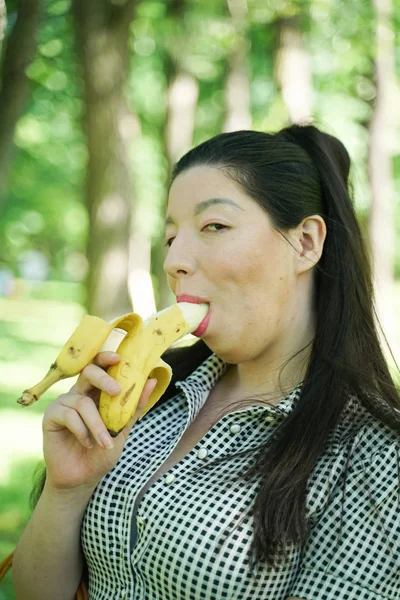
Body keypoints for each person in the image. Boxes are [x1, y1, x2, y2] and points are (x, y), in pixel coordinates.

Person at [12, 123, 400, 600]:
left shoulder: (374, 456)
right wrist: (65, 490)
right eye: (171, 237)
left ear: (305, 243)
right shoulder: (149, 396)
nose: (175, 260)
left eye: (213, 226)